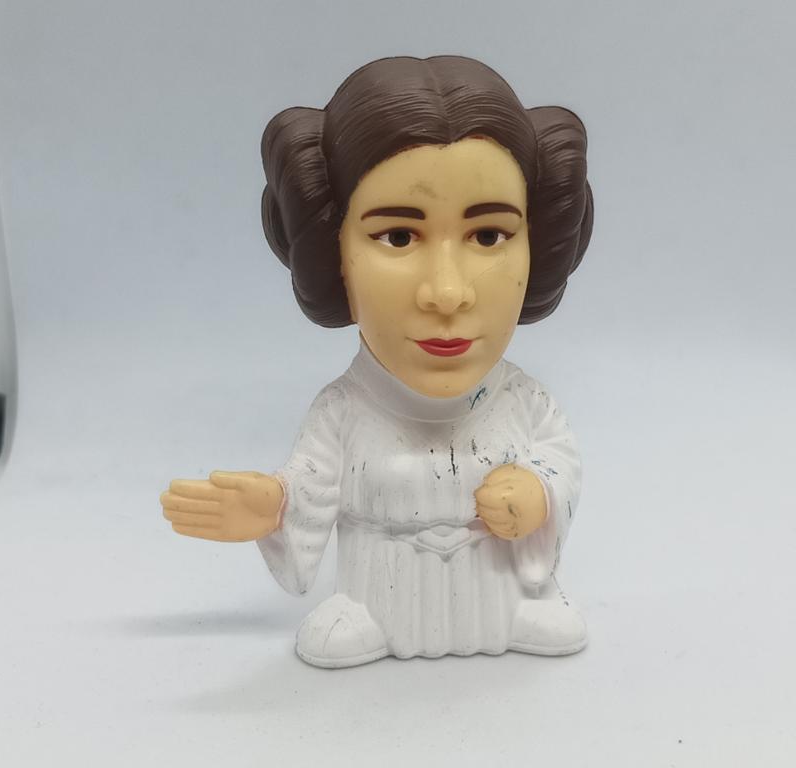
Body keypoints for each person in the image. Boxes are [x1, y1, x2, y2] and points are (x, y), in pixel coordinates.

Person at [161, 55, 594, 668]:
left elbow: (560, 462)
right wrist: (273, 507)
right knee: (338, 635)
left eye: (488, 236)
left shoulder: (525, 403)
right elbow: (309, 484)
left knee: (546, 616)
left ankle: (523, 606)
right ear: (334, 254)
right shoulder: (343, 411)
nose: (447, 293)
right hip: (382, 594)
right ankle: (364, 614)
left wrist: (538, 493)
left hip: (498, 589)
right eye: (397, 237)